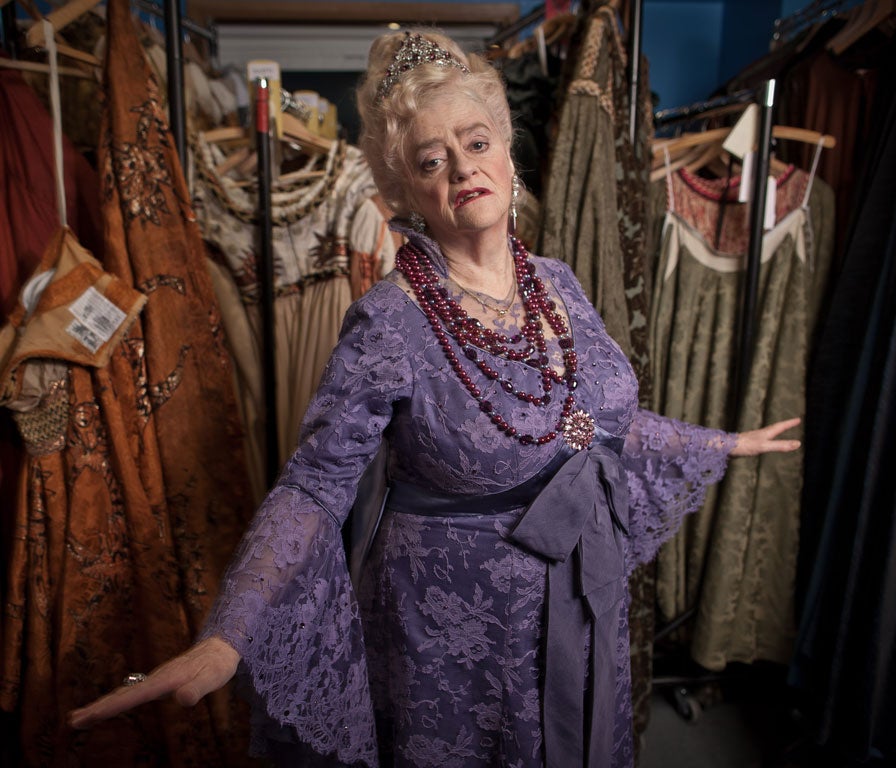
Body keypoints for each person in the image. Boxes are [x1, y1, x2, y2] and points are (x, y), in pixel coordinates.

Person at [70, 29, 801, 768]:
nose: (461, 167)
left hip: (579, 602)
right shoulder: (388, 320)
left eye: (476, 142)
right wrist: (229, 638)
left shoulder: (559, 283)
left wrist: (722, 443)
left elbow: (592, 426)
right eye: (430, 160)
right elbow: (316, 487)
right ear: (404, 191)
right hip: (453, 637)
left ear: (509, 156)